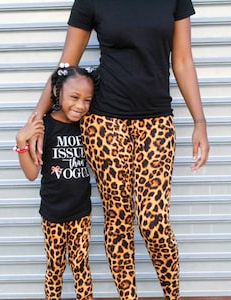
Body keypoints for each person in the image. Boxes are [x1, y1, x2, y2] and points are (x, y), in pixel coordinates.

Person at [29, 1, 210, 299]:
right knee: (119, 220)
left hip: (157, 122)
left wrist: (199, 120)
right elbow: (66, 64)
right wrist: (37, 119)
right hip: (104, 124)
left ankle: (172, 295)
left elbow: (182, 61)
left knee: (154, 224)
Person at [14, 64, 100, 300]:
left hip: (81, 214)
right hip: (53, 215)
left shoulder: (87, 126)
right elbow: (32, 173)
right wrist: (22, 140)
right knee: (55, 268)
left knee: (81, 267)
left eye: (87, 100)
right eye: (74, 97)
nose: (80, 105)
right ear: (57, 93)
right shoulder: (45, 128)